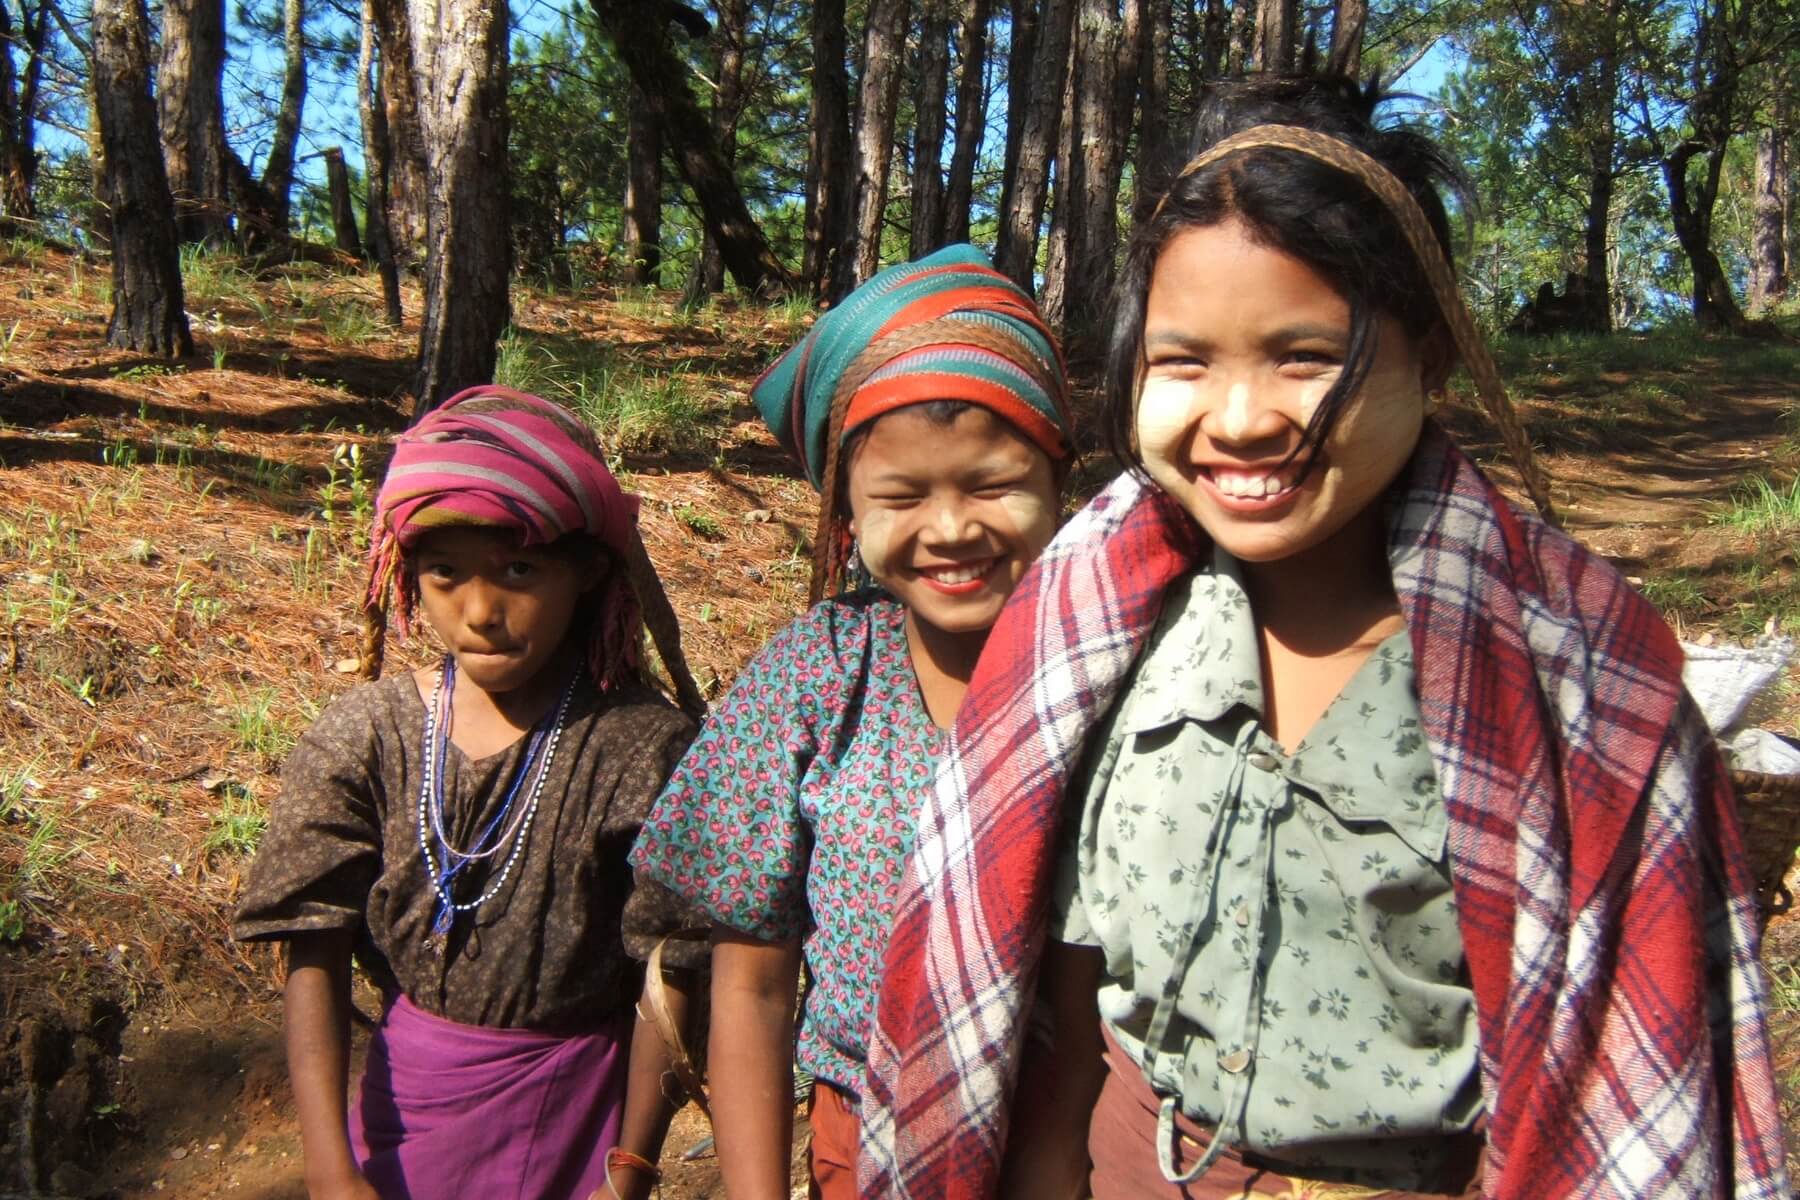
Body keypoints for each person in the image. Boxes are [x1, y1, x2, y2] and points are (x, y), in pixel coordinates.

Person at [863, 76, 1789, 1199]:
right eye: (1184, 361)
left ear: (1432, 356)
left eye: (1305, 356)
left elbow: (1605, 1074)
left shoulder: (1579, 681)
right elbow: (1047, 967)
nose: (1243, 416)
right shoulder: (1083, 626)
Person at [630, 245, 1074, 1200]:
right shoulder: (818, 680)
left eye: (993, 485)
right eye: (902, 497)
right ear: (844, 518)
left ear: (1059, 481)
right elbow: (750, 982)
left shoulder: (1108, 668)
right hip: (863, 1139)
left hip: (1074, 1144)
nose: (950, 528)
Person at [234, 386, 708, 1200]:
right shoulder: (368, 734)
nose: (480, 612)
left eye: (519, 571)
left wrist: (629, 1167)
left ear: (588, 573)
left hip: (578, 1115)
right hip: (404, 1102)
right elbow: (310, 944)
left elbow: (675, 971)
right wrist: (329, 1166)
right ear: (406, 572)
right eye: (445, 573)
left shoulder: (638, 745)